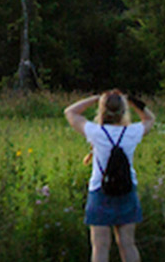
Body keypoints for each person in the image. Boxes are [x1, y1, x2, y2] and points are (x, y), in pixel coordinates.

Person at [64, 89, 155, 262]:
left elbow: (70, 112)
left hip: (100, 191)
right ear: (123, 111)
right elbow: (149, 119)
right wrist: (132, 100)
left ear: (102, 110)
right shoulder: (132, 133)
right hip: (127, 191)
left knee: (100, 246)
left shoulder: (95, 132)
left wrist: (96, 98)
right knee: (128, 244)